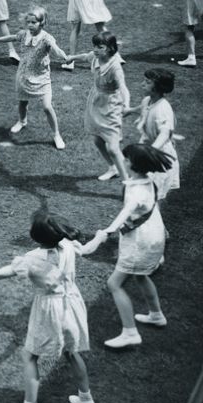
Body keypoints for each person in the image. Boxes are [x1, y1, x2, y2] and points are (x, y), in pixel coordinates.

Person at [0, 211, 106, 403]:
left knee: (30, 356)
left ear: (36, 237)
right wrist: (100, 237)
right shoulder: (68, 245)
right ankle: (86, 398)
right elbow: (87, 249)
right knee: (71, 351)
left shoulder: (31, 259)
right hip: (73, 305)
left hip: (51, 309)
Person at [86, 144, 172, 349]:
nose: (123, 161)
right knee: (141, 276)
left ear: (134, 164)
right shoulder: (146, 181)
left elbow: (124, 215)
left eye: (126, 159)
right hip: (153, 236)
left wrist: (104, 234)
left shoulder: (136, 193)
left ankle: (130, 332)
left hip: (140, 242)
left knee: (114, 284)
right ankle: (156, 315)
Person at [0, 6, 71, 149]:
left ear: (42, 22)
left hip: (42, 78)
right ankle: (22, 121)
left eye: (34, 22)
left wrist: (64, 56)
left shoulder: (46, 38)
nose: (30, 25)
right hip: (24, 74)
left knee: (46, 106)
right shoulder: (23, 34)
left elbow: (56, 49)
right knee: (22, 102)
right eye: (29, 22)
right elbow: (11, 37)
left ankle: (56, 134)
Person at [64, 32, 130, 180]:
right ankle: (113, 168)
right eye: (94, 46)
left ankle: (128, 182)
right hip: (96, 101)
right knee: (97, 140)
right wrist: (71, 58)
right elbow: (84, 56)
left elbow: (123, 88)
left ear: (110, 48)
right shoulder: (95, 57)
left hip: (111, 106)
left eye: (100, 47)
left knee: (113, 148)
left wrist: (126, 104)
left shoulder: (115, 67)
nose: (95, 49)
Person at [126, 69, 179, 201]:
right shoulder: (147, 100)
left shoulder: (163, 109)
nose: (142, 84)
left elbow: (165, 133)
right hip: (148, 151)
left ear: (158, 87)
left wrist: (150, 152)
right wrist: (128, 111)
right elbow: (143, 108)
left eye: (147, 82)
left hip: (158, 157)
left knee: (152, 196)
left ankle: (151, 219)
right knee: (142, 191)